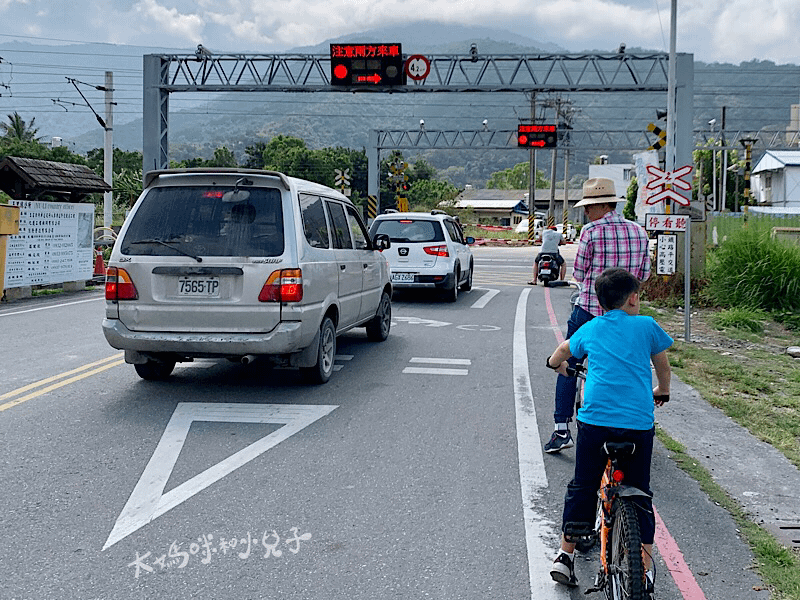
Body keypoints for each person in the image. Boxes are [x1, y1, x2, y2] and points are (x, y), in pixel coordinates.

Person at [545, 267, 672, 590]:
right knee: (639, 491)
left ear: (600, 303)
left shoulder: (591, 327)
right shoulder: (646, 326)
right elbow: (662, 363)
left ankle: (565, 555)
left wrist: (559, 367)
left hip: (596, 422)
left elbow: (559, 354)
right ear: (633, 298)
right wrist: (662, 391)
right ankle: (642, 568)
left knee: (584, 484)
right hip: (637, 424)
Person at [544, 177, 651, 453]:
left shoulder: (591, 232)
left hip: (591, 310)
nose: (587, 212)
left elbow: (579, 273)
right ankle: (629, 424)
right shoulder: (640, 232)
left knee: (569, 363)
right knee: (628, 367)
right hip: (628, 315)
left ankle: (561, 429)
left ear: (603, 205)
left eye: (589, 207)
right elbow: (645, 275)